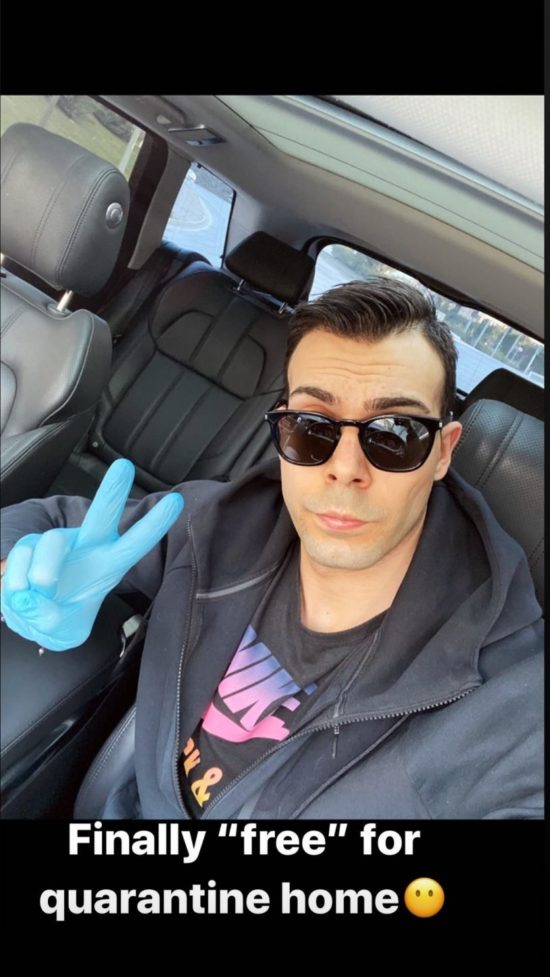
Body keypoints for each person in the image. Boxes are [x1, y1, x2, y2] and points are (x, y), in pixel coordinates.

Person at [0, 278, 543, 819]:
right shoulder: (219, 522)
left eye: (395, 435)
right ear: (282, 432)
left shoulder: (511, 701)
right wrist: (18, 577)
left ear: (443, 452)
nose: (345, 469)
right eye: (311, 426)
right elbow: (43, 521)